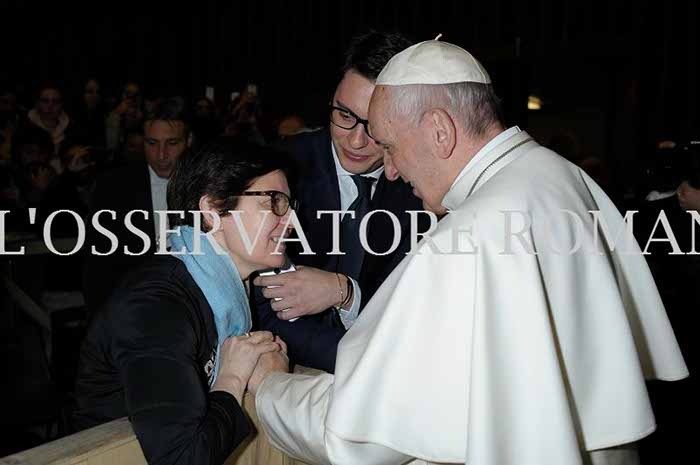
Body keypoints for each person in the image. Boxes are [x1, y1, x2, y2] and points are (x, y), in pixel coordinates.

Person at [250, 39, 689, 465]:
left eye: (390, 146)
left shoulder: (466, 239)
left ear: (439, 131)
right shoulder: (563, 176)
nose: (391, 170)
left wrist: (270, 386)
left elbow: (358, 436)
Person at [73, 137, 291, 465]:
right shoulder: (156, 305)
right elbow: (181, 457)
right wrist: (233, 378)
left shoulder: (228, 287)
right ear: (213, 209)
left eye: (288, 204)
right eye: (274, 201)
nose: (290, 220)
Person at [252, 30, 428, 373]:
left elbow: (416, 308)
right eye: (344, 115)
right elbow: (261, 308)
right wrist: (369, 363)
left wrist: (346, 293)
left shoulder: (422, 190)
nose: (356, 141)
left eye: (375, 126)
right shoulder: (279, 171)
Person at [83, 97, 192, 311]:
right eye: (152, 143)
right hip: (130, 309)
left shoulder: (206, 184)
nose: (161, 155)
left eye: (172, 143)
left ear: (188, 140)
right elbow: (98, 264)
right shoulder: (113, 187)